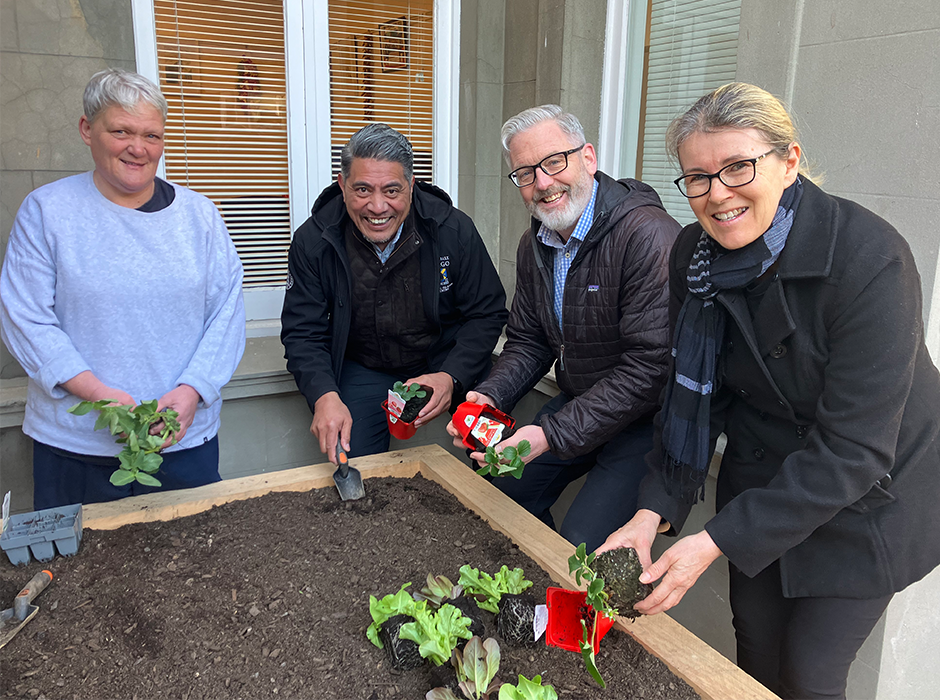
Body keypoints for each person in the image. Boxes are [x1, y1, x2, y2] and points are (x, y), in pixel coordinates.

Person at [597, 82, 940, 699]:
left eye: (737, 167)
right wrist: (656, 510)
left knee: (810, 671)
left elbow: (856, 450)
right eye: (697, 177)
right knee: (753, 648)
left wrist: (714, 540)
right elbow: (692, 396)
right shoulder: (691, 258)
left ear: (789, 161)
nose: (717, 194)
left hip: (875, 488)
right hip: (764, 470)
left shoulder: (870, 258)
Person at [0, 69, 246, 509]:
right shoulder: (47, 212)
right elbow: (25, 318)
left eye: (152, 135)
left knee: (197, 568)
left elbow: (226, 316)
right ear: (86, 129)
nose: (139, 148)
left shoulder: (200, 218)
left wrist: (192, 391)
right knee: (82, 573)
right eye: (121, 131)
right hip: (75, 449)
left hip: (182, 441)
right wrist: (98, 394)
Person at [447, 105, 680, 552]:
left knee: (583, 545)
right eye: (525, 173)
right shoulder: (536, 241)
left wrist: (550, 434)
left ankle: (588, 615)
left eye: (554, 162)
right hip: (581, 403)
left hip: (648, 422)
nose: (543, 183)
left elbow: (650, 370)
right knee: (499, 492)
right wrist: (491, 393)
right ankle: (530, 596)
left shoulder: (648, 235)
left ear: (588, 158)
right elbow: (529, 340)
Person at [281, 124, 507, 463]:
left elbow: (487, 312)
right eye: (362, 189)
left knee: (498, 453)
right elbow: (302, 332)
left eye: (391, 190)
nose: (377, 206)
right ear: (342, 186)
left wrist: (451, 377)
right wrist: (323, 395)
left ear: (411, 186)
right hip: (365, 367)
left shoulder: (452, 229)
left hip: (448, 359)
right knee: (351, 459)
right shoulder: (313, 241)